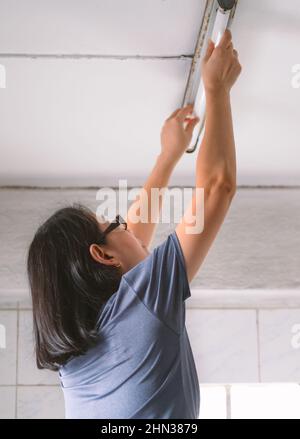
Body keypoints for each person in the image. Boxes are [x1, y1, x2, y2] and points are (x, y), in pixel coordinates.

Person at [27, 30, 241, 419]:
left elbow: (131, 255)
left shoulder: (74, 366)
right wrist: (217, 88)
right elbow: (216, 187)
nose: (129, 226)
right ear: (102, 255)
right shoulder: (141, 307)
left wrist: (168, 157)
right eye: (115, 223)